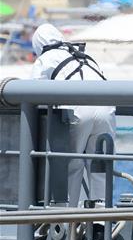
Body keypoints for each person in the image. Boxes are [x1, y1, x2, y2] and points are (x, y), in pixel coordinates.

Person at [31, 24, 115, 207]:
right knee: (100, 167)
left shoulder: (46, 58)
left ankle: (67, 221)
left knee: (72, 165)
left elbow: (33, 94)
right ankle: (101, 225)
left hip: (78, 110)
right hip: (106, 109)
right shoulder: (82, 55)